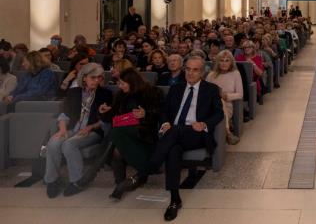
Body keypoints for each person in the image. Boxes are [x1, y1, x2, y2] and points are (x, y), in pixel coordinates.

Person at [126, 56, 223, 221]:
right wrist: (164, 123)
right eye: (188, 69)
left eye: (195, 70)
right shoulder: (176, 88)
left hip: (196, 133)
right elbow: (164, 110)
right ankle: (174, 200)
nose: (190, 73)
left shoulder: (211, 89)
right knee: (173, 150)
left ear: (202, 72)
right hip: (174, 134)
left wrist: (205, 124)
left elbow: (219, 113)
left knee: (174, 134)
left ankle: (146, 170)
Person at [44, 63, 112, 198]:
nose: (96, 81)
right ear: (84, 77)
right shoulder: (74, 92)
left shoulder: (106, 94)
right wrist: (62, 129)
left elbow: (106, 120)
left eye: (99, 77)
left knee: (69, 144)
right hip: (73, 129)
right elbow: (64, 114)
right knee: (53, 142)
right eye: (93, 77)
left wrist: (91, 127)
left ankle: (77, 181)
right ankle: (52, 180)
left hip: (93, 131)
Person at [100, 68, 162, 200]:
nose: (119, 86)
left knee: (115, 133)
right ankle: (120, 184)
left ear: (132, 82)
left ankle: (143, 171)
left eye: (122, 83)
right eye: (119, 83)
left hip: (143, 133)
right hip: (122, 132)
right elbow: (111, 117)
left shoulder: (151, 92)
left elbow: (160, 114)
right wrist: (104, 112)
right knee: (116, 149)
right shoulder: (121, 94)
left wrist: (146, 114)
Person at [206, 50, 243, 145]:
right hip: (210, 105)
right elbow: (205, 92)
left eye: (227, 60)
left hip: (227, 105)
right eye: (221, 60)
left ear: (231, 62)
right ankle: (228, 132)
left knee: (220, 100)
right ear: (218, 62)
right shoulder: (211, 75)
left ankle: (226, 131)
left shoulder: (235, 74)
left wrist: (227, 96)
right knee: (217, 99)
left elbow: (240, 94)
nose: (224, 63)